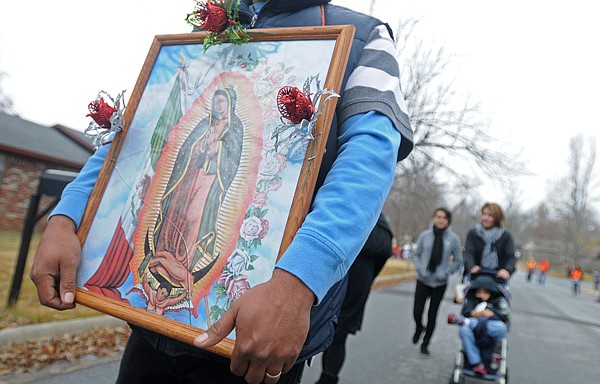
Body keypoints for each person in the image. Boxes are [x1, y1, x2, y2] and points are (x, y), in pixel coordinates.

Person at [29, 1, 414, 384]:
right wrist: (67, 218)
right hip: (151, 334)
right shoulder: (204, 32)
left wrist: (297, 282)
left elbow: (369, 159)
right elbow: (133, 132)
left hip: (253, 346)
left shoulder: (365, 37)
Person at [315, 214, 394, 384]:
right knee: (329, 332)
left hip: (355, 283)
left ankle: (328, 378)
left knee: (339, 334)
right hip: (338, 280)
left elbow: (383, 250)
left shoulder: (376, 220)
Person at [411, 208, 463, 356]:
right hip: (423, 279)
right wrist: (420, 269)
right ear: (434, 218)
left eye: (444, 218)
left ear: (448, 221)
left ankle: (426, 342)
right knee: (417, 311)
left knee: (432, 313)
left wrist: (445, 273)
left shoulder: (453, 239)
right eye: (438, 217)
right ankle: (419, 327)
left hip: (439, 283)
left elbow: (458, 262)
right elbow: (416, 255)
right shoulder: (425, 236)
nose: (440, 220)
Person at [447, 274, 510, 376]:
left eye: (485, 292)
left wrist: (491, 313)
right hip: (475, 331)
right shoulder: (473, 300)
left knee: (501, 327)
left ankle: (466, 322)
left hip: (492, 328)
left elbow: (504, 316)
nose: (481, 295)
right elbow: (466, 311)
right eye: (479, 292)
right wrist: (477, 314)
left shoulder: (498, 301)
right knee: (464, 330)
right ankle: (477, 363)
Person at [463, 202, 516, 282]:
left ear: (497, 218)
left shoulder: (505, 236)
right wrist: (471, 266)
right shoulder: (473, 233)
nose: (485, 218)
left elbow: (510, 257)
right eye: (484, 214)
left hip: (498, 278)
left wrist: (507, 270)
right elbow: (468, 252)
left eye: (490, 215)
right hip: (475, 276)